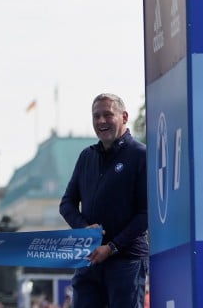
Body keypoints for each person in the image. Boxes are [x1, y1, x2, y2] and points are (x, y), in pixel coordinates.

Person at [59, 93, 148, 308]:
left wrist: (112, 247)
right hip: (89, 261)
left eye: (108, 115)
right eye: (96, 116)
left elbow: (147, 213)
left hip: (126, 261)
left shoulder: (140, 155)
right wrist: (85, 229)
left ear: (124, 117)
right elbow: (67, 204)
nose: (101, 121)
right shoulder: (86, 157)